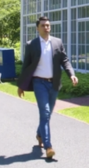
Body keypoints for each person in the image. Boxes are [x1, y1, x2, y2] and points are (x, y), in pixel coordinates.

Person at [17, 16, 78, 159]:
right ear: (38, 28)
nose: (46, 27)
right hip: (39, 83)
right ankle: (48, 146)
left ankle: (39, 134)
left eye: (48, 25)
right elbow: (26, 65)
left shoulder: (57, 42)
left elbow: (64, 60)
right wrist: (21, 85)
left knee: (48, 114)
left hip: (54, 83)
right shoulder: (31, 44)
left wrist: (72, 74)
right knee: (44, 113)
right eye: (43, 25)